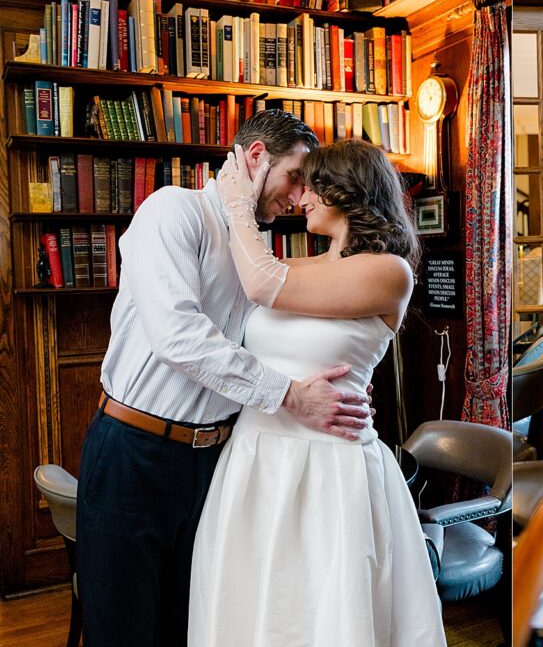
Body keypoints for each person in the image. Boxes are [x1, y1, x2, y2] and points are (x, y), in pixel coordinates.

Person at [77, 110, 372, 647]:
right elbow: (179, 338)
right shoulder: (172, 210)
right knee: (122, 630)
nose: (299, 196)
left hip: (217, 461)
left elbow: (268, 338)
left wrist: (340, 381)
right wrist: (289, 395)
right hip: (136, 453)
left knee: (189, 626)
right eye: (295, 177)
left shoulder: (254, 250)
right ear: (256, 157)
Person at [188, 139, 446, 646]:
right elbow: (250, 283)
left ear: (345, 190)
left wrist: (237, 201)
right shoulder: (308, 264)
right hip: (257, 459)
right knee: (254, 612)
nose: (300, 196)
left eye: (311, 185)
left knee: (326, 616)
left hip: (332, 468)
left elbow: (262, 284)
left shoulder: (390, 271)